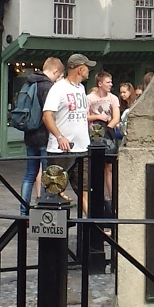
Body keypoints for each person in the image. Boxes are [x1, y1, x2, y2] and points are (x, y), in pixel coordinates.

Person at [42, 54, 93, 210]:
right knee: (55, 190)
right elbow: (47, 115)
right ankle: (52, 230)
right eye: (87, 67)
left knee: (85, 189)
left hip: (82, 148)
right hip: (61, 151)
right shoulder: (58, 88)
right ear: (80, 68)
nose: (89, 70)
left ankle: (95, 227)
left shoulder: (81, 88)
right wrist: (59, 136)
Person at [12, 58, 61, 202]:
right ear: (55, 71)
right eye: (58, 76)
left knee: (29, 175)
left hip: (29, 134)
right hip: (45, 135)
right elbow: (50, 114)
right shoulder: (48, 87)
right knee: (48, 175)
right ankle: (45, 209)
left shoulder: (29, 82)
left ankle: (24, 211)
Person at [87, 72, 120, 143]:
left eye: (111, 82)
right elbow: (85, 116)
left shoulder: (113, 98)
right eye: (108, 82)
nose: (111, 84)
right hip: (92, 131)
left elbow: (116, 118)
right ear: (100, 84)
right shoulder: (89, 98)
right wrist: (98, 117)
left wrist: (107, 130)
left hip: (108, 130)